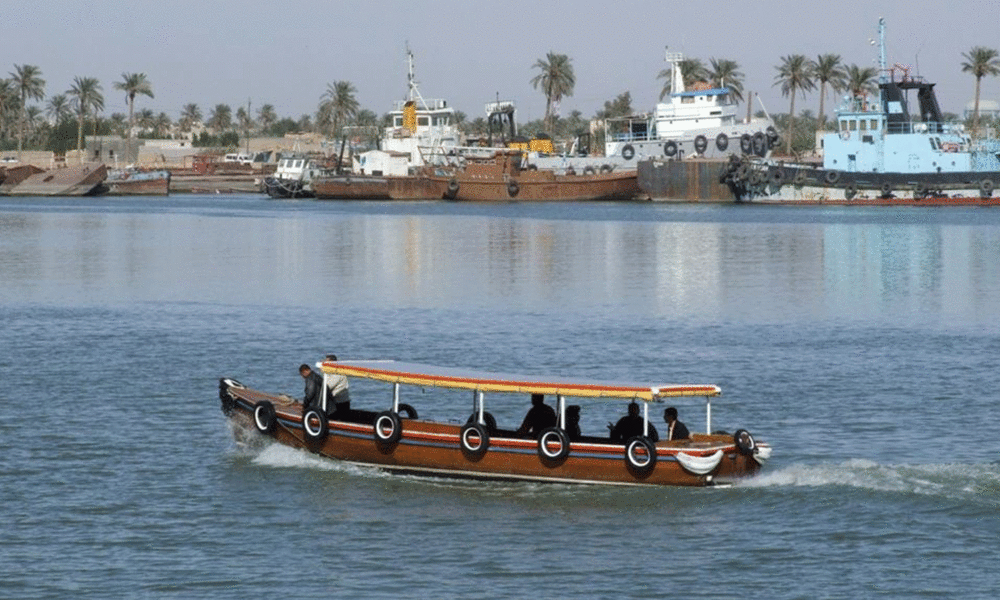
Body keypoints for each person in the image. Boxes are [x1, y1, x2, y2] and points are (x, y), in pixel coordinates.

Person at [324, 354, 351, 419]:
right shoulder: (332, 372)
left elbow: (328, 386)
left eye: (327, 362)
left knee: (339, 419)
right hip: (337, 401)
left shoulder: (338, 373)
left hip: (340, 402)